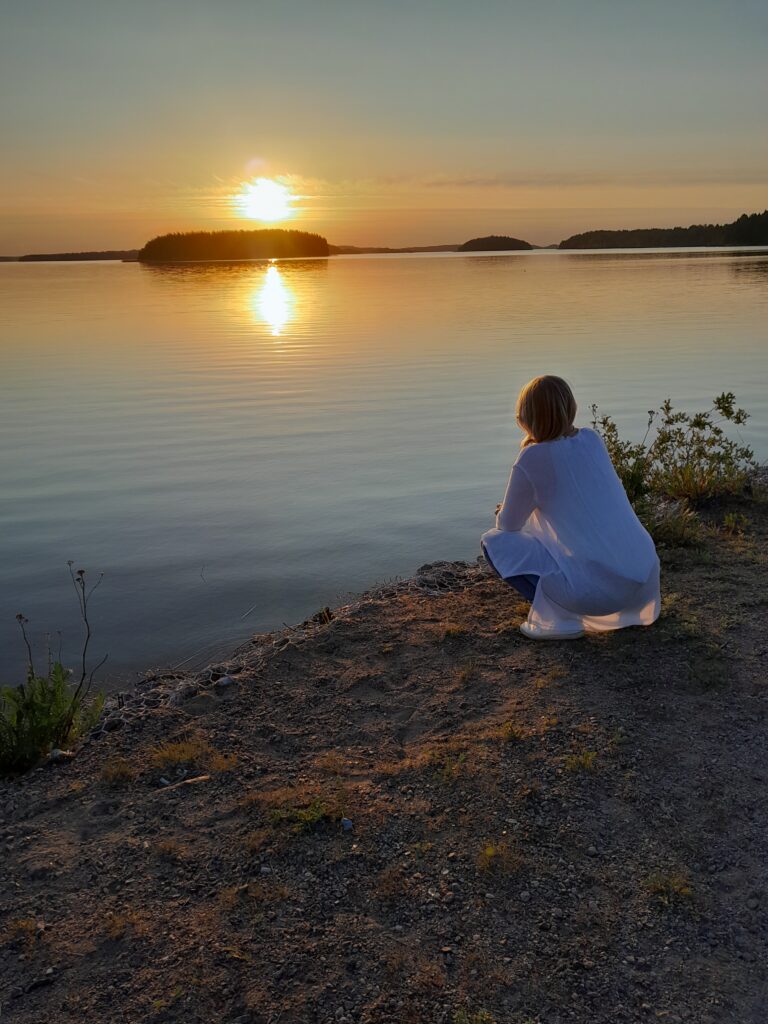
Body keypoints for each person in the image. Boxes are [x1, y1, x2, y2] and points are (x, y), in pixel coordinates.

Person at [481, 375, 660, 640]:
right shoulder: (591, 439)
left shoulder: (532, 457)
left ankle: (562, 618)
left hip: (599, 596)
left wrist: (504, 511)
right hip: (643, 579)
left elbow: (507, 526)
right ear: (570, 407)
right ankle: (586, 603)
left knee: (493, 542)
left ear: (526, 417)